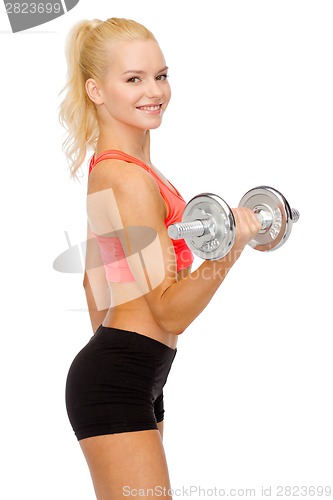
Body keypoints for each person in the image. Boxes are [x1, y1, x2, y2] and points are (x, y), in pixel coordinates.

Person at [59, 17, 261, 500]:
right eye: (134, 79)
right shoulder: (129, 179)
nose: (155, 91)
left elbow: (95, 286)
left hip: (136, 372)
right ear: (96, 90)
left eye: (161, 75)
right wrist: (231, 247)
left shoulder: (120, 169)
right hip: (124, 376)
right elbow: (168, 310)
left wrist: (127, 359)